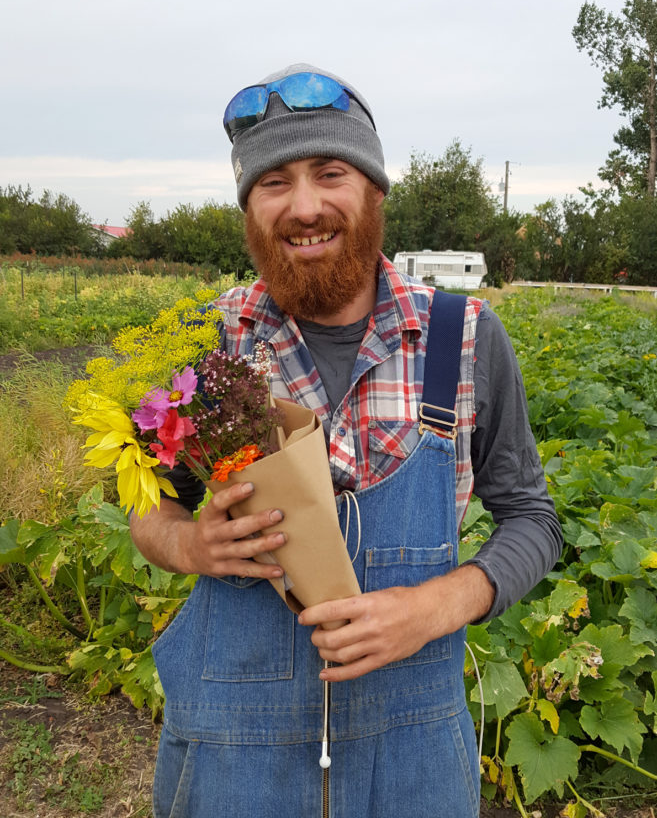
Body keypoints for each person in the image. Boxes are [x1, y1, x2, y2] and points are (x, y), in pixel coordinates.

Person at [130, 63, 563, 818]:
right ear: (247, 208)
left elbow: (533, 519)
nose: (303, 206)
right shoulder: (208, 342)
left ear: (372, 192)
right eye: (272, 182)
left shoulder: (462, 339)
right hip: (233, 754)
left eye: (329, 172)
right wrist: (188, 547)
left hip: (414, 758)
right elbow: (147, 513)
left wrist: (433, 606)